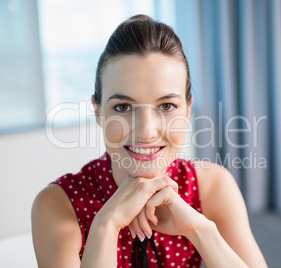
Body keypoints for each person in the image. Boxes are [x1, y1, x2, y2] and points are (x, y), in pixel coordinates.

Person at [31, 14, 267, 268]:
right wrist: (106, 224)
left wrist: (200, 230)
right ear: (98, 111)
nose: (146, 131)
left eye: (166, 106)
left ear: (187, 110)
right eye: (123, 107)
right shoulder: (58, 204)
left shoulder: (212, 185)